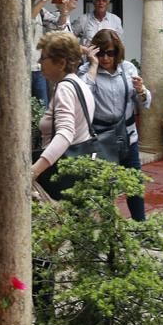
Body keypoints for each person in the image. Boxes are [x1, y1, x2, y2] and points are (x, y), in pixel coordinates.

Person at [80, 28, 149, 219]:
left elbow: (143, 100)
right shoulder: (86, 72)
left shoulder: (127, 69)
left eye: (109, 53)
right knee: (104, 188)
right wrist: (93, 66)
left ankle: (141, 227)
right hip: (100, 139)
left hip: (127, 137)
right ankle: (109, 232)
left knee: (134, 185)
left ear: (117, 51)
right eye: (100, 53)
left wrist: (142, 91)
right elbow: (83, 98)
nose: (105, 58)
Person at [31, 31, 95, 200]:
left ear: (60, 63)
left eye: (43, 58)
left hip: (61, 172)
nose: (39, 62)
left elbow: (66, 133)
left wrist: (33, 171)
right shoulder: (79, 84)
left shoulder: (65, 88)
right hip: (76, 168)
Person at [31, 0, 75, 106]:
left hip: (38, 67)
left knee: (42, 107)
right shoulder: (23, 7)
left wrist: (64, 10)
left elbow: (59, 26)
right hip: (24, 67)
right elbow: (28, 20)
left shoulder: (41, 11)